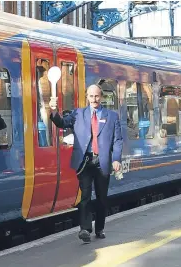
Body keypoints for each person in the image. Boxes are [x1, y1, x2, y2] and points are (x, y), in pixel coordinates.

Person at [49, 84, 123, 243]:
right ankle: (85, 229)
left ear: (101, 97)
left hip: (102, 161)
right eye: (91, 96)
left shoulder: (112, 116)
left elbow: (117, 140)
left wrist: (116, 158)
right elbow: (62, 123)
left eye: (97, 96)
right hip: (84, 161)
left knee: (102, 198)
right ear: (87, 97)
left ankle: (100, 228)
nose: (94, 99)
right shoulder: (78, 114)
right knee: (86, 196)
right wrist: (54, 111)